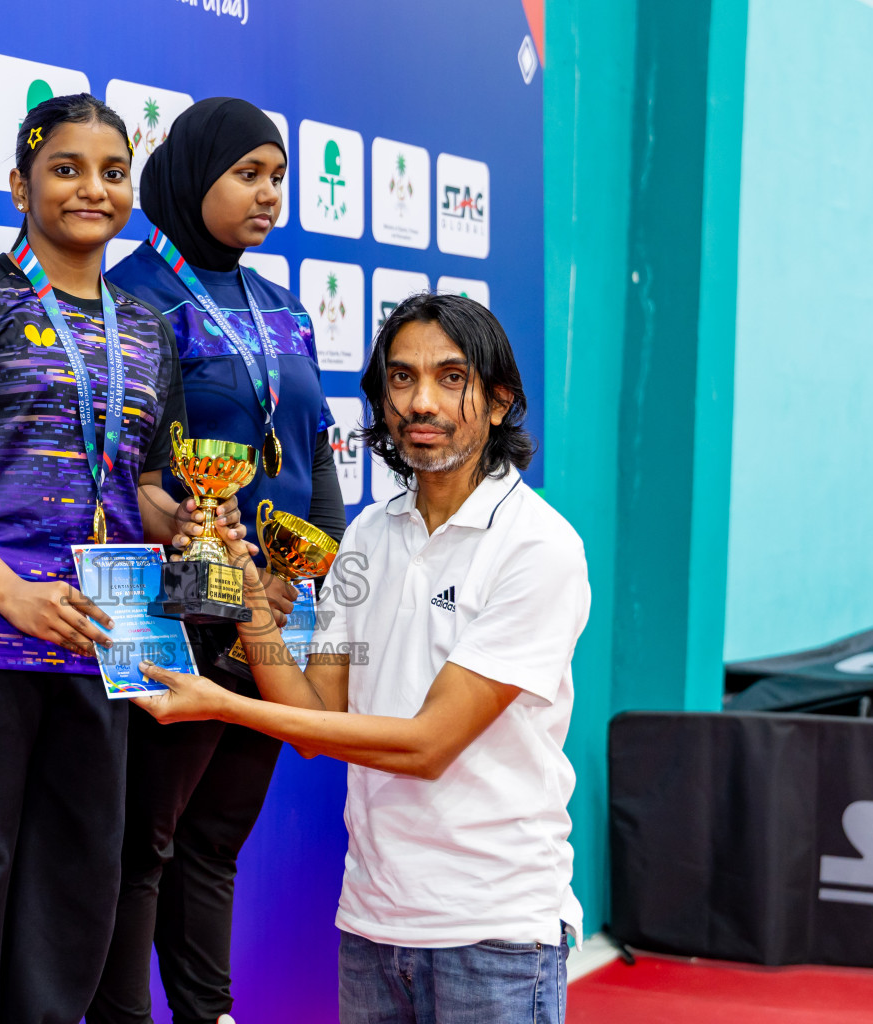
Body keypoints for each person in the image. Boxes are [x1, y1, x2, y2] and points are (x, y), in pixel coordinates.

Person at [0, 93, 240, 1024]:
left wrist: (186, 526)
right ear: (20, 183)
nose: (91, 188)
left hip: (101, 647)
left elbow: (144, 485)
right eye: (66, 167)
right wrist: (12, 594)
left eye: (112, 171)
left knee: (71, 899)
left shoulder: (149, 330)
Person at [134, 293, 589, 1024]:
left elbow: (427, 745)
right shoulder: (370, 537)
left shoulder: (538, 548)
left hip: (495, 933)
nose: (421, 401)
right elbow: (314, 718)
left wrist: (220, 702)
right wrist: (249, 599)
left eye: (451, 378)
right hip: (373, 925)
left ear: (500, 402)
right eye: (401, 379)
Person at [91, 98, 345, 1024]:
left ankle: (210, 1013)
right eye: (248, 174)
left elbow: (315, 454)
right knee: (143, 842)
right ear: (194, 176)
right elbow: (134, 474)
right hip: (170, 607)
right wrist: (215, 569)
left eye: (277, 176)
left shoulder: (285, 309)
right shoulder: (132, 301)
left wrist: (307, 573)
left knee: (219, 839)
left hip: (272, 610)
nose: (269, 194)